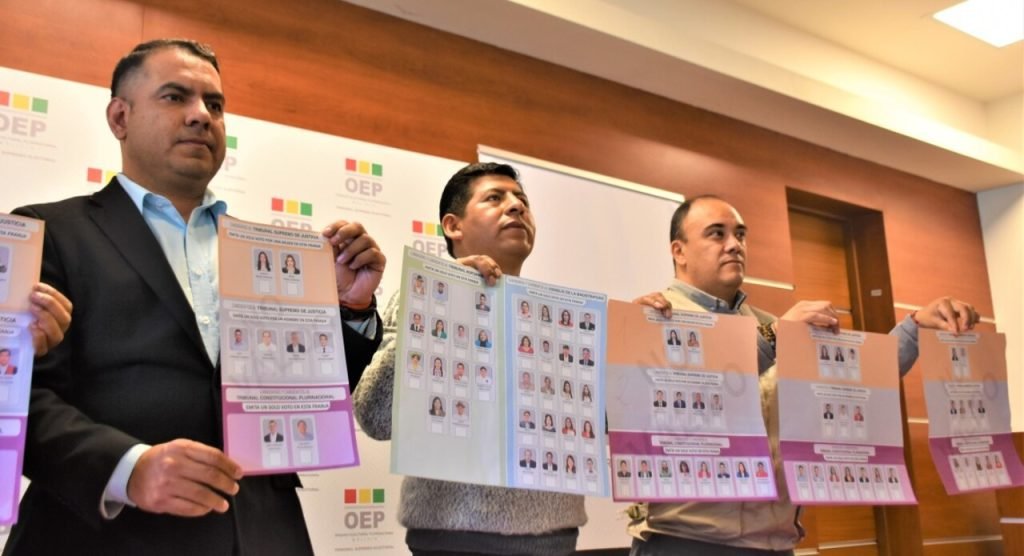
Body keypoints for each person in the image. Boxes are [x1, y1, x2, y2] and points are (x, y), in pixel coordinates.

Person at [5, 40, 384, 556]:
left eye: (215, 104)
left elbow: (313, 392)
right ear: (120, 117)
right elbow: (18, 395)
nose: (201, 115)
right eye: (175, 97)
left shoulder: (267, 253)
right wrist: (127, 467)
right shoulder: (48, 231)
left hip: (263, 532)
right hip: (103, 535)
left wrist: (349, 308)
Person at [628, 195, 979, 556]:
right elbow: (694, 397)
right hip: (685, 542)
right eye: (717, 234)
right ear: (679, 251)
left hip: (774, 544)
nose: (734, 244)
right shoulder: (653, 317)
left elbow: (855, 389)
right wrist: (774, 337)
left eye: (740, 234)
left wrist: (916, 327)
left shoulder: (769, 325)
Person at [353, 163, 584, 555]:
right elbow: (375, 417)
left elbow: (593, 425)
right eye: (495, 197)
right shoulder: (421, 296)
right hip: (452, 535)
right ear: (453, 226)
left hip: (556, 534)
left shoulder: (558, 319)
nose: (517, 206)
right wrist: (439, 297)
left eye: (522, 200)